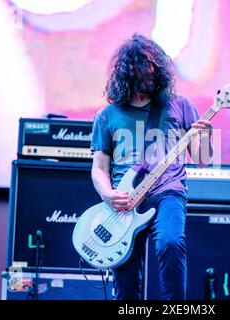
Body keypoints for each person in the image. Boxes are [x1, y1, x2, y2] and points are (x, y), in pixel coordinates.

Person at [90, 33, 213, 300]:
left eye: (152, 70)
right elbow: (99, 167)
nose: (147, 77)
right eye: (140, 71)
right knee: (125, 276)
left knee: (170, 242)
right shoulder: (107, 116)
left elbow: (202, 159)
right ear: (126, 72)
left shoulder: (180, 106)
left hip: (167, 191)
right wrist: (107, 193)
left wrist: (204, 136)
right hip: (124, 202)